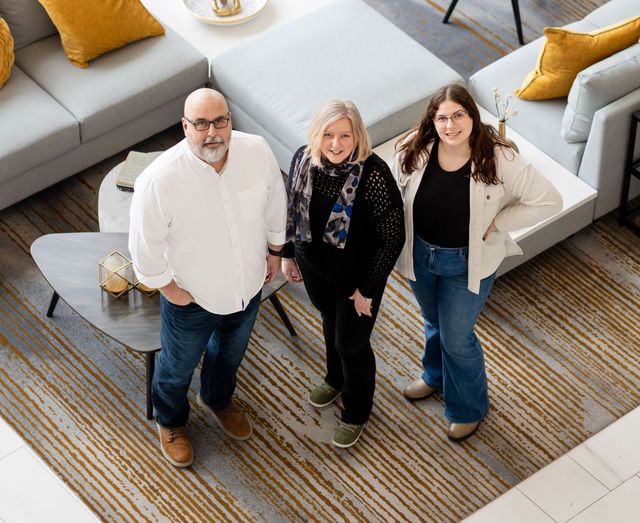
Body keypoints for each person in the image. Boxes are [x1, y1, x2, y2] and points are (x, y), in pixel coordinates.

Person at [392, 84, 562, 443]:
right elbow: (399, 189)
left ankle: (468, 408)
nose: (450, 125)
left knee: (457, 337)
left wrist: (499, 223)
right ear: (432, 120)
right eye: (442, 118)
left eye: (458, 115)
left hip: (467, 263)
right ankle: (434, 375)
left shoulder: (499, 157)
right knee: (433, 320)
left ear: (472, 115)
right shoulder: (418, 148)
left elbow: (549, 201)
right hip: (421, 255)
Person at [129, 88, 287, 467]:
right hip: (192, 299)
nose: (212, 132)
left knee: (229, 355)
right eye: (201, 124)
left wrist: (275, 252)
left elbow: (275, 202)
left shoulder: (256, 151)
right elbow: (144, 250)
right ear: (185, 126)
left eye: (220, 121)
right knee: (176, 367)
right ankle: (170, 421)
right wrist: (170, 290)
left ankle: (217, 399)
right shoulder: (160, 181)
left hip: (249, 287)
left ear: (230, 121)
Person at [281, 100, 405, 448]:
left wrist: (368, 289)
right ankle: (334, 379)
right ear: (316, 135)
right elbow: (291, 210)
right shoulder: (303, 159)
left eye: (345, 136)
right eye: (328, 135)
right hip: (314, 267)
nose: (335, 144)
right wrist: (289, 254)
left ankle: (356, 411)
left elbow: (393, 238)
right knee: (329, 323)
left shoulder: (374, 175)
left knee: (351, 344)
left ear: (357, 136)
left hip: (358, 278)